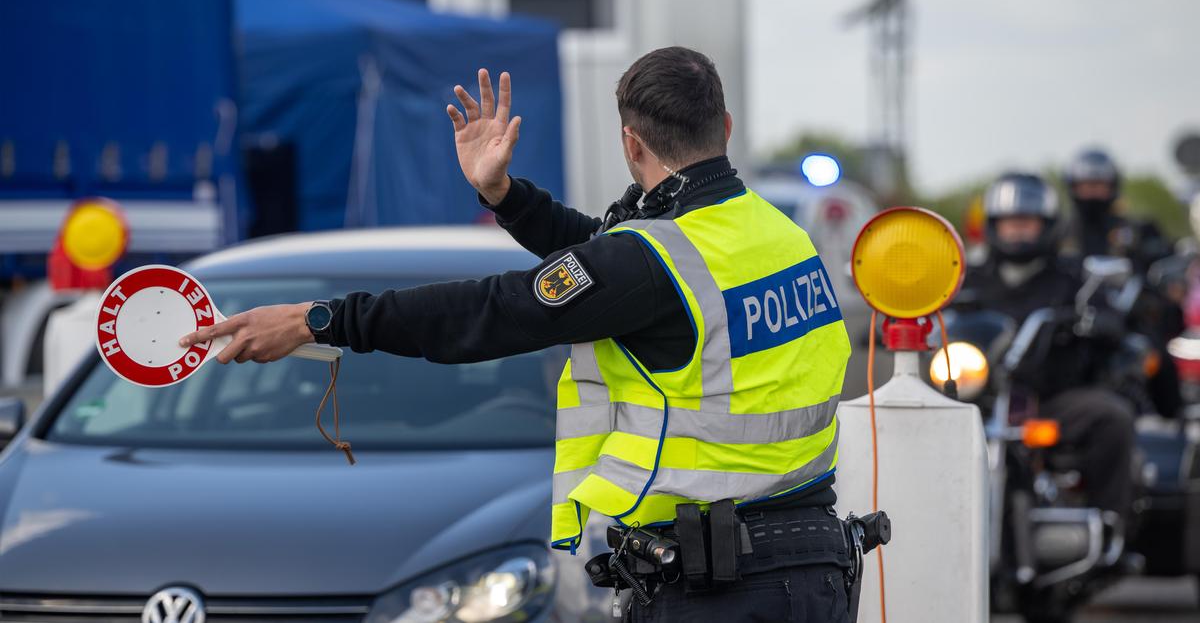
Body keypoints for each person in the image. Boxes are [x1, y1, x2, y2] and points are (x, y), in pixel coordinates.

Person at [180, 47, 855, 622]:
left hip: (722, 588)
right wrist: (505, 195)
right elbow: (604, 259)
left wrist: (317, 319)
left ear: (631, 143)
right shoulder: (777, 234)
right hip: (812, 562)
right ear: (726, 127)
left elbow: (493, 310)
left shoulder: (656, 260)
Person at [959, 172, 1136, 522]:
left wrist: (1099, 320)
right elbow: (932, 309)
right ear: (993, 225)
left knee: (1112, 417)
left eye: (1027, 222)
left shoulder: (1074, 277)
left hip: (1050, 398)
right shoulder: (967, 276)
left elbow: (1112, 316)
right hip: (976, 399)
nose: (1017, 230)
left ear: (1048, 225)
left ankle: (1110, 522)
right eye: (1009, 222)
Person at [1061, 147, 1183, 418]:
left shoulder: (1137, 231)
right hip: (1074, 321)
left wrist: (1151, 294)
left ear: (1112, 187)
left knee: (1157, 355)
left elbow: (1162, 264)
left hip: (1128, 321)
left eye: (1099, 185)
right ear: (1073, 188)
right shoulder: (1060, 234)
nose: (1092, 193)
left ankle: (1173, 420)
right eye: (1086, 186)